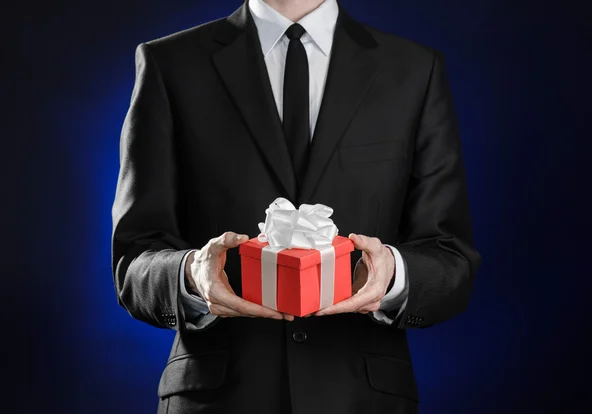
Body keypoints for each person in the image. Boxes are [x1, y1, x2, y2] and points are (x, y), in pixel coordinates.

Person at [111, 0, 482, 412]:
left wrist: (392, 277)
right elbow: (134, 258)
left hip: (362, 399)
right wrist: (192, 276)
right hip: (216, 398)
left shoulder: (414, 70)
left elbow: (451, 257)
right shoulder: (170, 63)